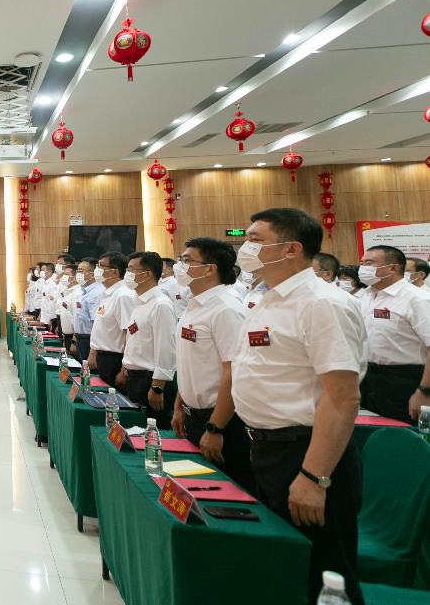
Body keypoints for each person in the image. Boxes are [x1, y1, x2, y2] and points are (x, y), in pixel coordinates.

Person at [230, 208, 366, 605]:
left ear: (291, 248)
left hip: (307, 453)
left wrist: (314, 477)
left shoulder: (322, 303)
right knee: (285, 568)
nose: (245, 247)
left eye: (255, 239)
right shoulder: (268, 299)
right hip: (268, 450)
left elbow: (342, 397)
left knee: (324, 576)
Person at [169, 237, 254, 491]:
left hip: (221, 421)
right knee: (195, 490)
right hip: (193, 416)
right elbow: (190, 362)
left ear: (210, 269)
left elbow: (234, 372)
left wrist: (216, 428)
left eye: (187, 260)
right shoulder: (194, 305)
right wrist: (180, 405)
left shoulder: (225, 309)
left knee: (224, 493)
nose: (180, 266)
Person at [357, 245, 430, 422]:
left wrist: (425, 391)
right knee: (373, 431)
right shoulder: (365, 295)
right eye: (362, 263)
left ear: (393, 268)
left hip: (406, 379)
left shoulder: (417, 299)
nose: (363, 268)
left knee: (404, 434)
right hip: (370, 377)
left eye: (369, 263)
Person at [118, 251, 177, 428]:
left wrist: (157, 387)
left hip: (150, 380)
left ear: (147, 274)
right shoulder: (140, 302)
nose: (127, 274)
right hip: (135, 377)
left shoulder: (160, 305)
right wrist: (125, 368)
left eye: (131, 270)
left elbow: (166, 348)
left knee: (152, 432)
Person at [89, 252, 136, 386]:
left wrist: (124, 369)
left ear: (114, 272)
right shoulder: (108, 293)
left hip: (115, 360)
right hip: (102, 356)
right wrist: (93, 353)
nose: (97, 270)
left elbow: (129, 334)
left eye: (101, 266)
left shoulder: (123, 295)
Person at [72, 257, 104, 362]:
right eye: (78, 271)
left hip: (90, 340)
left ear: (92, 274)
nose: (78, 274)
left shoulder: (97, 293)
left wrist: (93, 351)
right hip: (81, 338)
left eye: (81, 271)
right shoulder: (83, 291)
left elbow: (97, 324)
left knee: (88, 370)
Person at [57, 264, 79, 352]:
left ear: (75, 277)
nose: (64, 277)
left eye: (66, 274)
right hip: (65, 334)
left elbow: (77, 318)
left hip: (73, 337)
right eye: (63, 274)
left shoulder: (77, 293)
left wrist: (74, 340)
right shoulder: (67, 291)